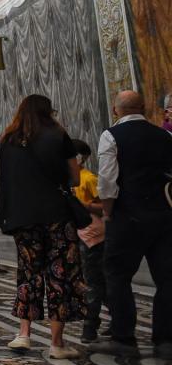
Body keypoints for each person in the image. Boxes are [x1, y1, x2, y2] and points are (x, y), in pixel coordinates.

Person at [0, 94, 85, 360]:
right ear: (49, 112)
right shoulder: (58, 135)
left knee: (28, 274)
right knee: (61, 275)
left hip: (23, 218)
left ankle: (23, 334)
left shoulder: (6, 141)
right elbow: (75, 178)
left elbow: (6, 182)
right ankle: (57, 344)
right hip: (57, 215)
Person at [90, 90, 172, 359]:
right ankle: (165, 340)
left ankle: (124, 338)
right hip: (163, 216)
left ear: (116, 111)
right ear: (145, 107)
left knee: (117, 276)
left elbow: (107, 180)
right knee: (167, 279)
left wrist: (108, 212)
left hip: (127, 216)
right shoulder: (165, 135)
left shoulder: (111, 135)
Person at [72, 138, 108, 343]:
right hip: (78, 234)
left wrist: (83, 206)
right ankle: (119, 315)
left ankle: (90, 324)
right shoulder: (67, 180)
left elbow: (103, 206)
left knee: (94, 281)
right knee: (95, 280)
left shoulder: (88, 179)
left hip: (92, 235)